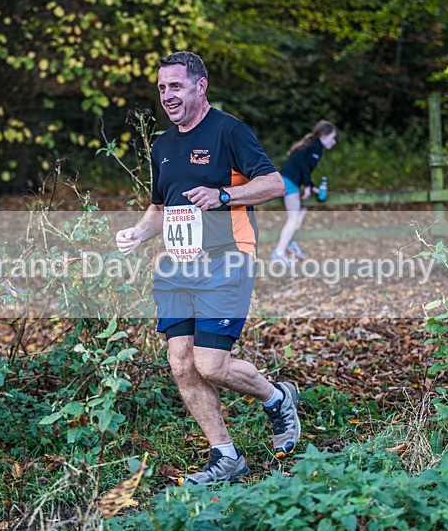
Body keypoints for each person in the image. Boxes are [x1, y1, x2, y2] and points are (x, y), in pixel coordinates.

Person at [115, 51, 302, 485]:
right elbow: (160, 206)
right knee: (181, 363)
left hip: (226, 258)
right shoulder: (161, 145)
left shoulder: (228, 131)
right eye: (162, 88)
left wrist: (222, 195)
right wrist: (139, 233)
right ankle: (226, 457)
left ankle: (276, 399)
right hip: (177, 266)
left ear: (201, 86)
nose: (167, 95)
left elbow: (274, 184)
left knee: (212, 364)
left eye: (175, 86)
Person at [271, 120, 338, 262]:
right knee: (293, 218)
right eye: (333, 138)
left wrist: (310, 185)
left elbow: (302, 166)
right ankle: (279, 252)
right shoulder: (316, 147)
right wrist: (307, 185)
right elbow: (303, 167)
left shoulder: (312, 145)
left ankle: (290, 242)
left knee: (302, 211)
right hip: (289, 182)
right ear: (324, 135)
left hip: (290, 180)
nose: (334, 142)